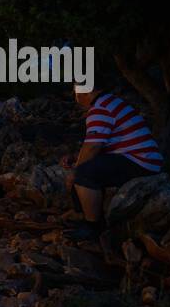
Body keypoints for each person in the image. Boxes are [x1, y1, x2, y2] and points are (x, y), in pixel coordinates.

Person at [63, 87, 163, 242]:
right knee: (86, 168)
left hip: (140, 162)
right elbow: (101, 144)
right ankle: (85, 216)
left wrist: (75, 171)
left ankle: (93, 226)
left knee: (84, 173)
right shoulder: (110, 102)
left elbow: (92, 147)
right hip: (141, 158)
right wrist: (76, 158)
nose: (76, 98)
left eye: (75, 93)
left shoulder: (100, 108)